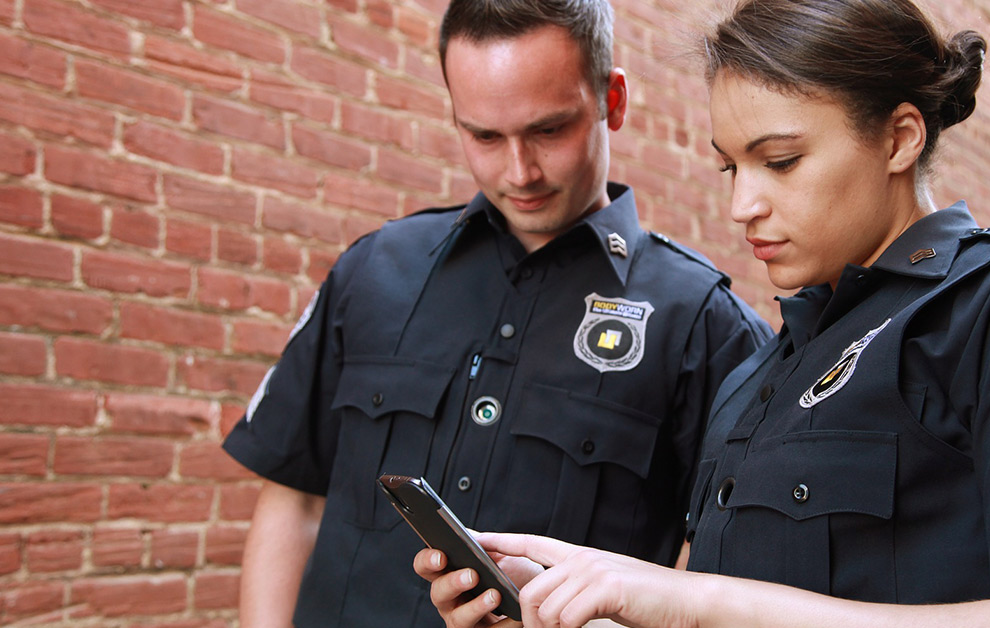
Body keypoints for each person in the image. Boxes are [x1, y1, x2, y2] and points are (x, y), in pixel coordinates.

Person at [415, 0, 990, 626]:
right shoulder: (762, 371)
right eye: (730, 166)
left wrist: (691, 602)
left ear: (899, 136)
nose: (741, 205)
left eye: (780, 161)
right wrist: (579, 605)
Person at [221, 0, 773, 625]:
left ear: (612, 101)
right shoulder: (373, 270)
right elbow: (294, 503)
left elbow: (714, 573)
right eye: (484, 135)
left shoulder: (706, 325)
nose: (520, 171)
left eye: (548, 130)